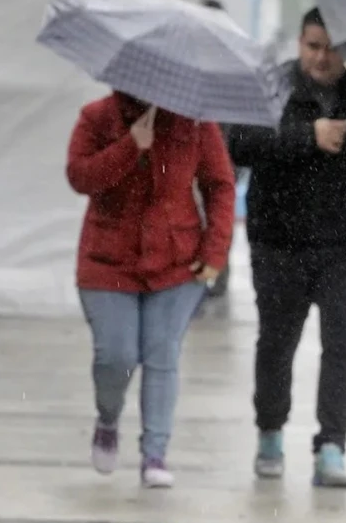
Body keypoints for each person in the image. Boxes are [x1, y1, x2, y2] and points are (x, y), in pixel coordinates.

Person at [227, 7, 346, 488]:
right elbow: (239, 144)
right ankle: (270, 430)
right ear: (299, 44)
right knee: (276, 343)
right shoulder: (274, 90)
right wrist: (307, 137)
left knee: (342, 344)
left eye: (331, 47)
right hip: (278, 243)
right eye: (312, 45)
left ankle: (332, 444)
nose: (321, 56)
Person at [66, 91, 236, 488]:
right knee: (117, 355)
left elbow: (220, 183)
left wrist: (215, 250)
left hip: (176, 262)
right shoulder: (96, 118)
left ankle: (155, 453)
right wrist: (129, 146)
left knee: (162, 352)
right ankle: (108, 419)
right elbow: (80, 177)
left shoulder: (195, 121)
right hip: (109, 262)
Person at [199, 0, 237, 300]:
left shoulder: (231, 67)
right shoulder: (190, 64)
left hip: (223, 156)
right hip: (199, 155)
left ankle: (218, 270)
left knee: (218, 212)